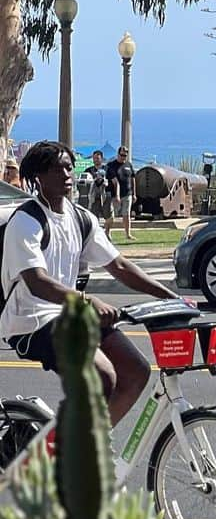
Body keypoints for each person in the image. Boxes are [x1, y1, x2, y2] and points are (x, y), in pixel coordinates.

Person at [1, 142, 187, 425]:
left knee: (136, 370)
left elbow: (120, 266)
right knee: (102, 375)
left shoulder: (81, 219)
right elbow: (37, 282)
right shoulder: (26, 221)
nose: (67, 174)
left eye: (68, 167)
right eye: (57, 168)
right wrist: (88, 301)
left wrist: (169, 296)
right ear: (38, 176)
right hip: (32, 321)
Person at [106, 145, 136, 241]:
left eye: (125, 155)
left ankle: (128, 234)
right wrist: (117, 195)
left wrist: (134, 193)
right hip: (114, 195)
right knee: (111, 216)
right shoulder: (111, 165)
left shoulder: (129, 165)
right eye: (122, 155)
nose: (123, 157)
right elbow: (115, 182)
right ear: (118, 154)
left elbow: (133, 179)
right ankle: (107, 231)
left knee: (126, 214)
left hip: (127, 193)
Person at [83, 149, 109, 220]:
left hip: (105, 196)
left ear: (102, 159)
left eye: (97, 158)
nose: (95, 160)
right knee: (93, 216)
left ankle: (107, 230)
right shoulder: (88, 170)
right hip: (93, 197)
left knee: (108, 217)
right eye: (94, 158)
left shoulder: (107, 169)